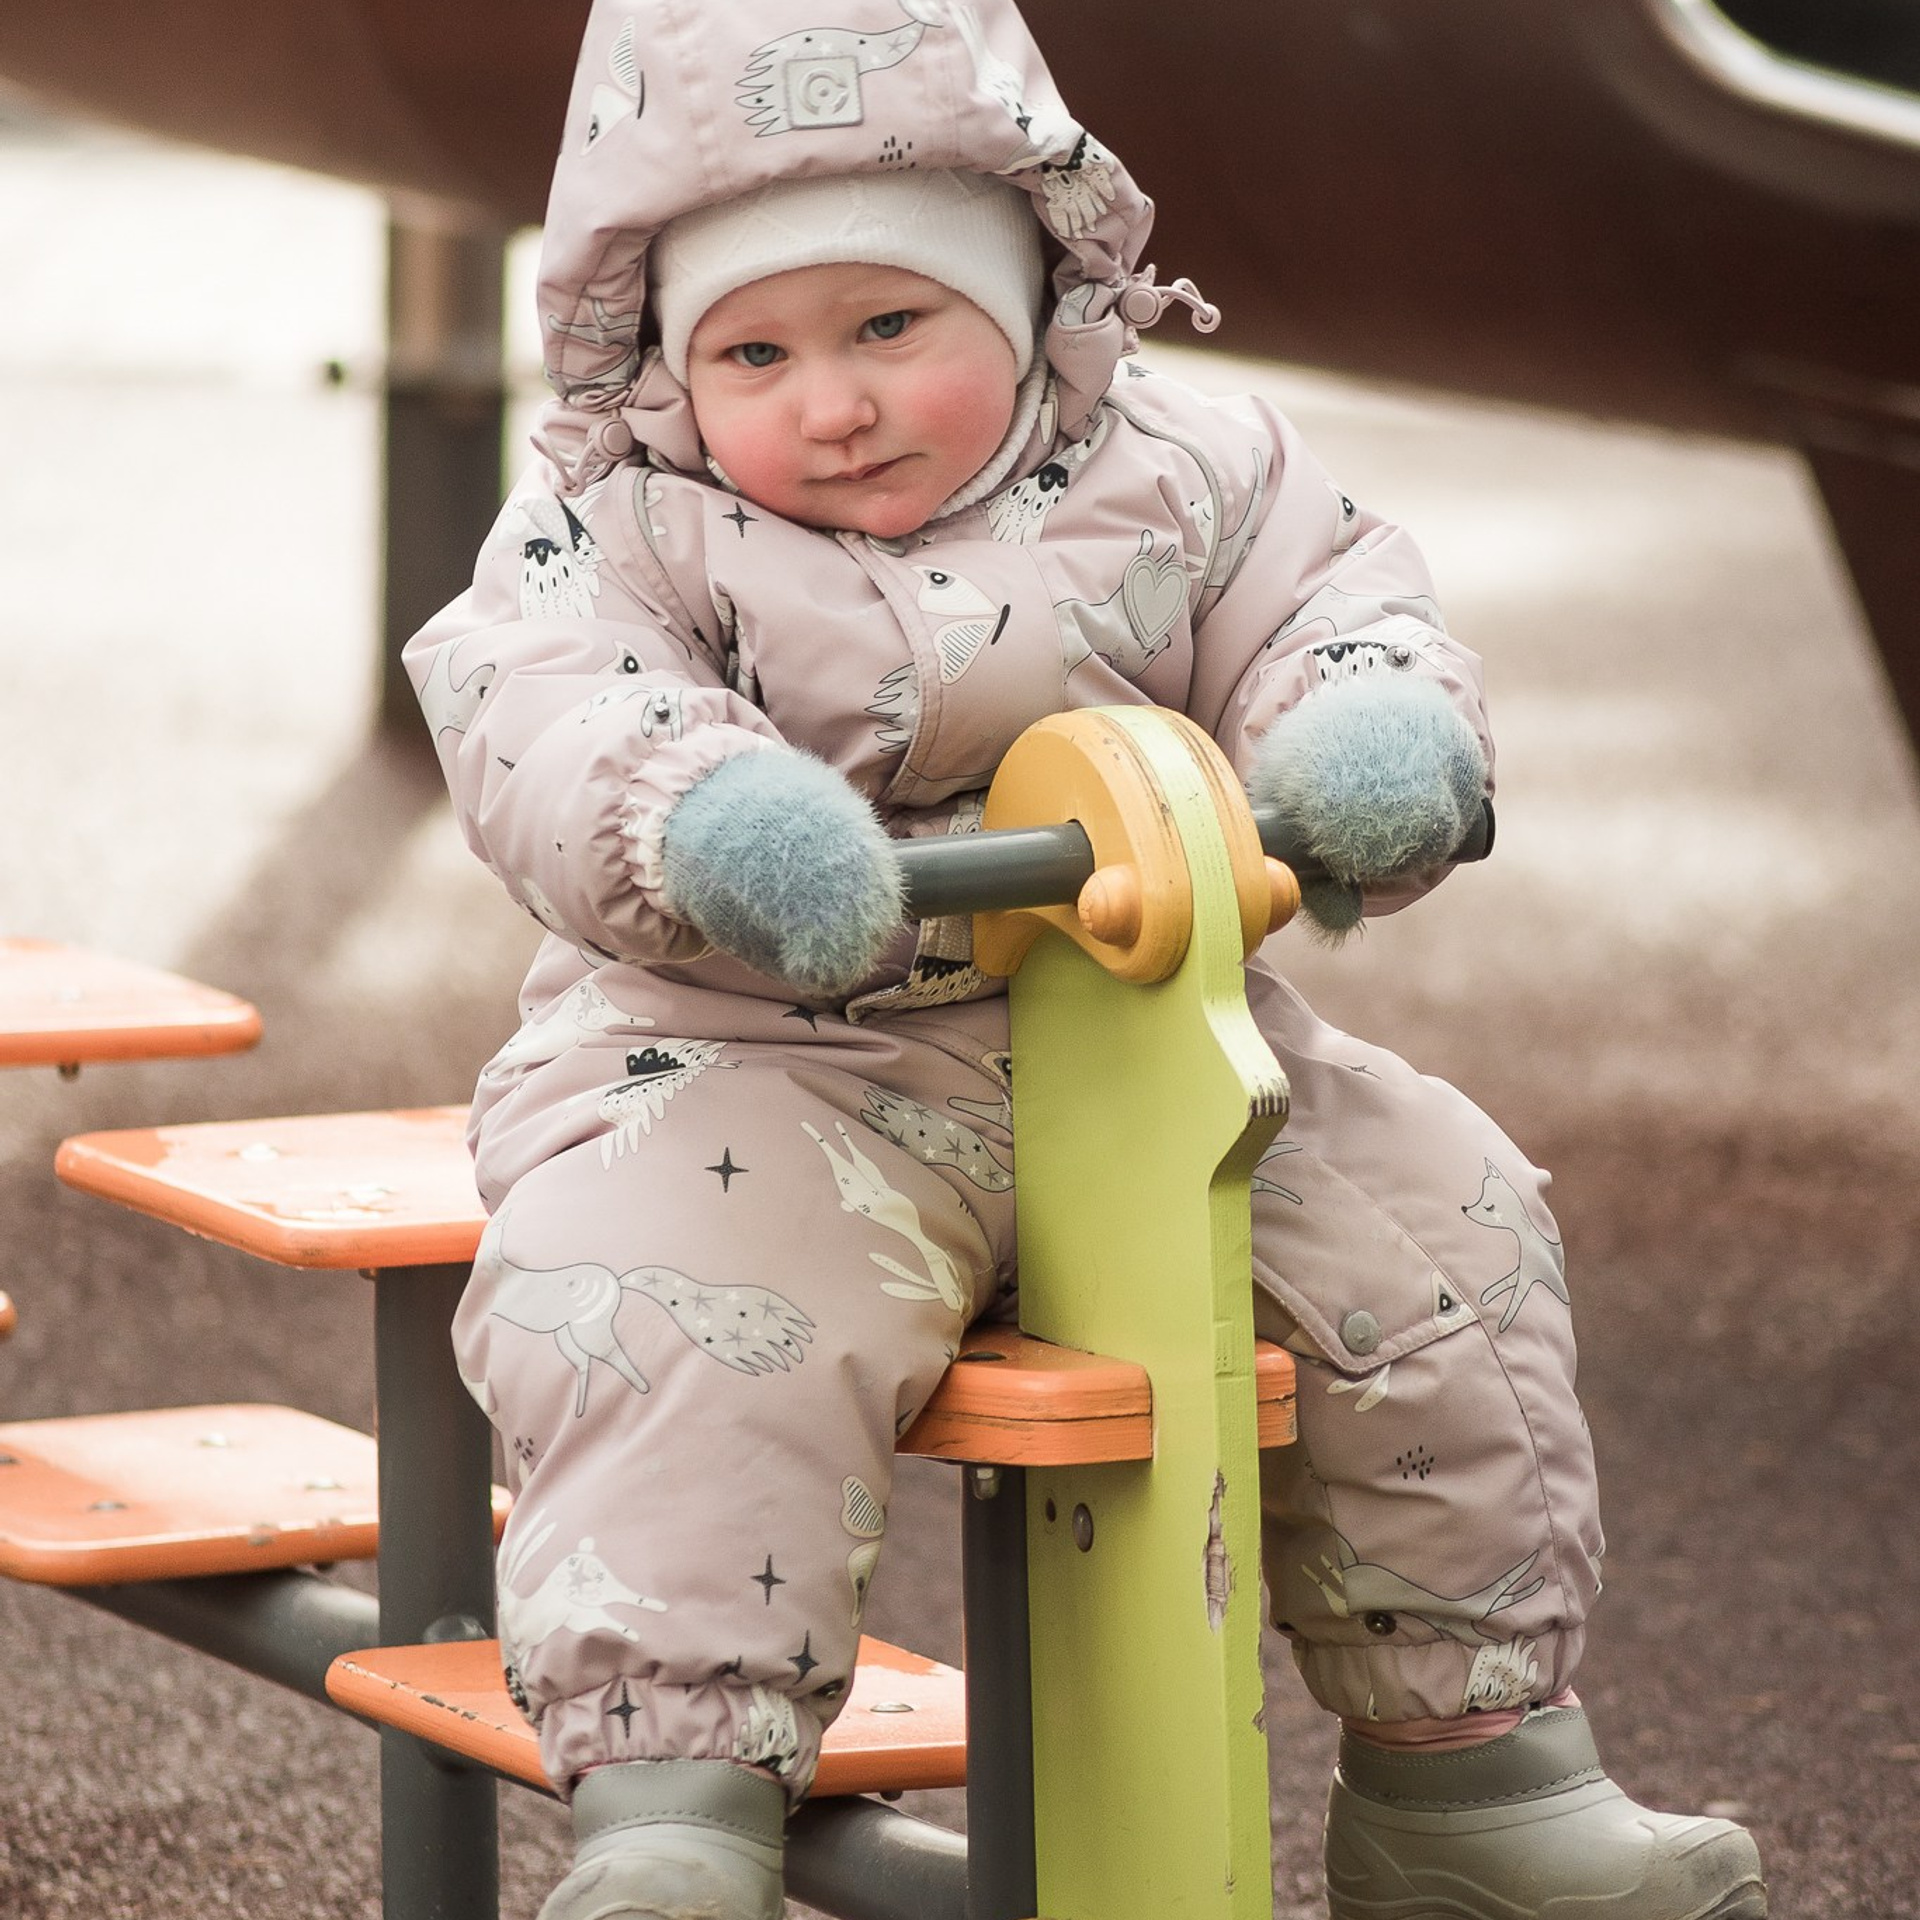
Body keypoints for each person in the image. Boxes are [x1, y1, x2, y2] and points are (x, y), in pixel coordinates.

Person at [406, 3, 1767, 1916]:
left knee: (1442, 1226)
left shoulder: (1181, 468)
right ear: (667, 362)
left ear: (1036, 289)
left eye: (894, 325)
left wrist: (1361, 744)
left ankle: (1474, 1785)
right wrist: (706, 818)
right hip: (756, 1060)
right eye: (758, 353)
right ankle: (678, 1826)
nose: (835, 404)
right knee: (665, 1315)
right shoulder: (617, 528)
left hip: (1147, 1022)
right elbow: (546, 713)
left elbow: (1332, 601)